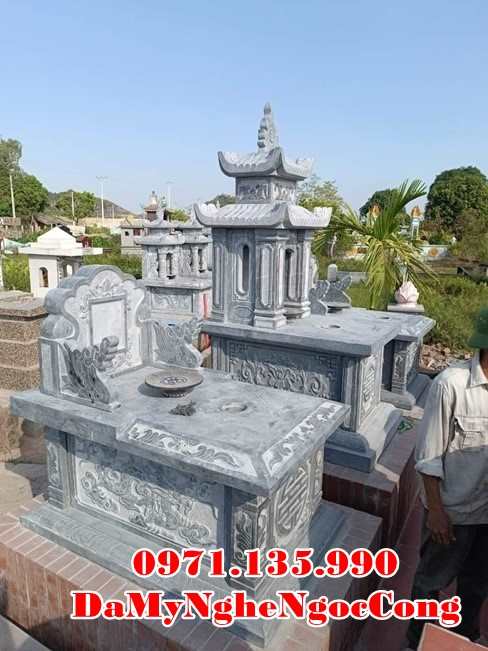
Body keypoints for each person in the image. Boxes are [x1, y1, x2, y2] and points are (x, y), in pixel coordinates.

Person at [405, 307, 488, 649]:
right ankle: (414, 641)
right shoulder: (451, 384)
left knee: (476, 584)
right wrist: (436, 511)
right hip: (452, 514)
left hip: (486, 516)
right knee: (430, 582)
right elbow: (429, 456)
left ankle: (464, 637)